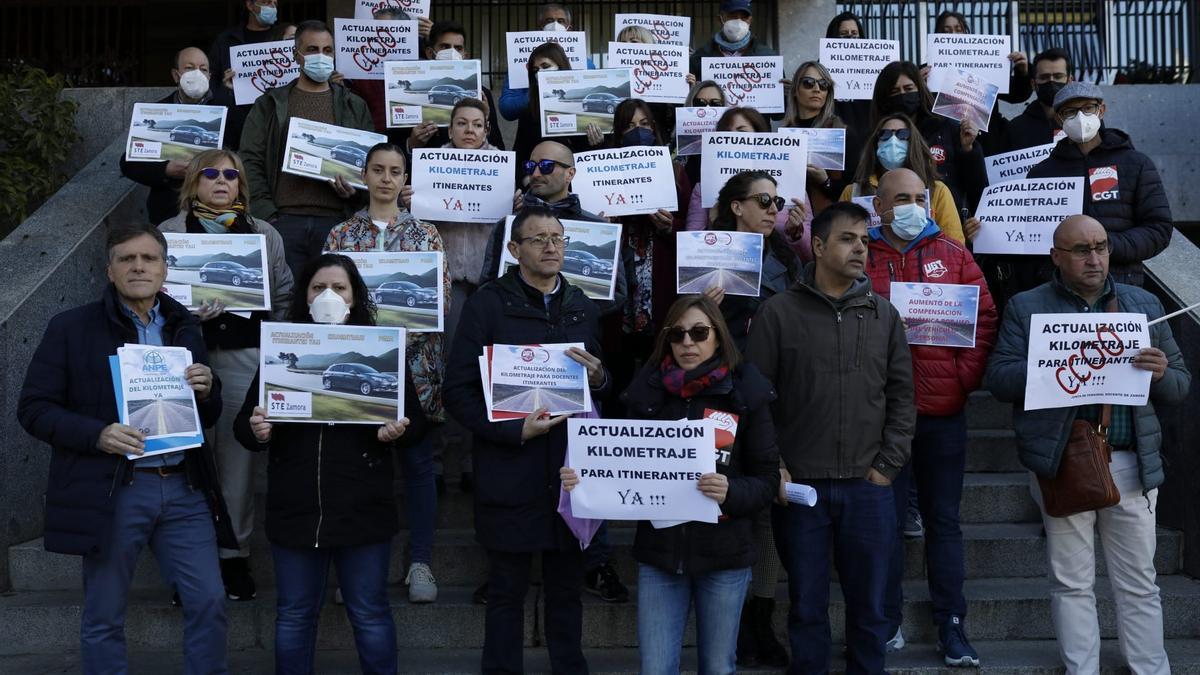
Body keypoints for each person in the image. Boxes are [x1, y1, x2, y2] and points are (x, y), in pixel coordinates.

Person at [18, 223, 233, 674]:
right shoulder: (70, 327)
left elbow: (205, 417)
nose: (139, 266)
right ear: (110, 270)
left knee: (210, 601)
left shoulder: (185, 326)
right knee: (104, 614)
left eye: (149, 258)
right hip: (115, 488)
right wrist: (97, 434)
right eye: (127, 259)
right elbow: (34, 409)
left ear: (164, 269)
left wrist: (208, 391)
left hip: (183, 486)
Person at [984, 214, 1189, 674]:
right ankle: (1082, 669)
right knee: (1071, 581)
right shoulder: (1026, 306)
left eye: (1100, 247)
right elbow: (998, 379)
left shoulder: (1143, 304)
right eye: (1081, 250)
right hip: (1063, 463)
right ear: (1056, 256)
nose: (1094, 258)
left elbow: (1180, 385)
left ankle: (1150, 668)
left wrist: (1160, 372)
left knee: (1139, 581)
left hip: (1132, 465)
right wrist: (1052, 363)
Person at [562, 294, 780, 674]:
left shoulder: (746, 393)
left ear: (718, 336)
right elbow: (618, 464)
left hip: (725, 556)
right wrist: (585, 480)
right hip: (661, 556)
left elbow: (766, 480)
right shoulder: (646, 391)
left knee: (718, 667)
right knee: (656, 669)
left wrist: (731, 492)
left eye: (698, 332)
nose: (688, 343)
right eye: (677, 335)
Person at [233, 254, 427, 675]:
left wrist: (398, 431)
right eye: (319, 287)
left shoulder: (381, 351)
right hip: (296, 507)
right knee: (295, 615)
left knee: (370, 613)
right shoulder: (281, 351)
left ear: (355, 297)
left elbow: (417, 426)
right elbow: (245, 427)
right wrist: (258, 430)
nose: (328, 296)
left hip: (363, 507)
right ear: (304, 295)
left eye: (339, 288)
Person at [747, 201, 915, 674]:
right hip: (802, 488)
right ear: (818, 246)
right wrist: (774, 465)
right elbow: (757, 399)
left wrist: (887, 466)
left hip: (869, 487)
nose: (860, 248)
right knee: (806, 609)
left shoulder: (884, 316)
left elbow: (903, 397)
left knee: (870, 611)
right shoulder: (777, 313)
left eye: (864, 240)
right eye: (847, 239)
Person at [443, 206, 611, 674]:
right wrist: (514, 431)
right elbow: (457, 392)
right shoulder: (488, 305)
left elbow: (599, 387)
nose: (551, 246)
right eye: (538, 239)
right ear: (514, 250)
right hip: (508, 474)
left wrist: (599, 377)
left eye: (558, 238)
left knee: (566, 596)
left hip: (568, 478)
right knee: (505, 596)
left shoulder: (581, 303)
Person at [863, 168, 997, 666]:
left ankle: (952, 625)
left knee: (943, 523)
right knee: (885, 523)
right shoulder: (862, 255)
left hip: (943, 414)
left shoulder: (954, 254)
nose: (913, 205)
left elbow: (984, 319)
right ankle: (887, 618)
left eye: (921, 197)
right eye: (902, 198)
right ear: (878, 205)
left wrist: (962, 381)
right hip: (881, 417)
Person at [158, 149, 293, 601]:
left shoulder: (263, 233)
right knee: (188, 461)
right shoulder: (169, 233)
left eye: (231, 175)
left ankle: (233, 558)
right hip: (180, 361)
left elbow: (287, 293)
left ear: (241, 185)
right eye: (211, 174)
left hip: (244, 356)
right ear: (193, 182)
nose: (222, 182)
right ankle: (191, 564)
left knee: (236, 464)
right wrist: (181, 311)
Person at [323, 143, 450, 603]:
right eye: (377, 169)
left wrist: (399, 341)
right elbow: (325, 300)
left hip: (415, 370)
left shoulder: (426, 234)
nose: (386, 179)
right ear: (364, 174)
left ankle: (420, 563)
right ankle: (361, 565)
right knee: (359, 468)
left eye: (395, 171)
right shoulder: (340, 235)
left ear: (404, 178)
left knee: (417, 468)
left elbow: (440, 300)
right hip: (359, 365)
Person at [705, 171, 800, 668]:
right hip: (717, 400)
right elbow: (679, 332)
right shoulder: (703, 252)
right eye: (763, 200)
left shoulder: (785, 258)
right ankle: (729, 621)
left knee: (765, 514)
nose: (772, 208)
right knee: (725, 504)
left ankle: (758, 623)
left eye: (777, 201)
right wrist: (704, 309)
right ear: (736, 207)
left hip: (771, 400)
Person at [239, 20, 374, 281]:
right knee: (287, 303)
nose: (321, 57)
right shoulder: (269, 103)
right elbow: (250, 159)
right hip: (284, 221)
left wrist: (354, 193)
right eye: (312, 49)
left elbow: (369, 164)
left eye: (328, 50)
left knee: (333, 303)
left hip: (336, 223)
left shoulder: (354, 105)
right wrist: (268, 214)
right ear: (296, 55)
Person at [1027, 81, 1172, 288]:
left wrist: (1106, 246)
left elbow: (1159, 229)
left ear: (1101, 110)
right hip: (1059, 289)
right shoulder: (1041, 173)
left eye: (1088, 108)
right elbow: (1027, 234)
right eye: (1070, 111)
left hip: (1121, 284)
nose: (1080, 117)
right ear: (1059, 118)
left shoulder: (1135, 164)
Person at [479, 140, 627, 320]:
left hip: (575, 334)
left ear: (570, 174)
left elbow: (617, 294)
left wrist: (571, 315)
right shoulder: (507, 225)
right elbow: (487, 285)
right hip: (517, 331)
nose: (535, 173)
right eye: (530, 166)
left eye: (546, 166)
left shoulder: (598, 225)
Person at [120, 47, 231, 225]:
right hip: (168, 212)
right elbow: (129, 163)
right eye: (189, 68)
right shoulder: (156, 113)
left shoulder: (226, 110)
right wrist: (166, 170)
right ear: (176, 75)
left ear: (209, 77)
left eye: (203, 69)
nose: (197, 74)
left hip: (218, 213)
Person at [870, 61, 987, 212]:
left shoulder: (946, 127)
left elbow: (975, 186)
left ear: (920, 89)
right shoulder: (877, 135)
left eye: (908, 88)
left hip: (944, 219)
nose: (903, 95)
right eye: (894, 92)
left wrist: (968, 149)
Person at [842, 113, 969, 244]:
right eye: (884, 135)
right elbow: (840, 242)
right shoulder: (852, 192)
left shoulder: (937, 190)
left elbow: (955, 247)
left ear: (913, 142)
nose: (893, 141)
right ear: (875, 144)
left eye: (902, 134)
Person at [927, 9, 1032, 154]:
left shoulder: (984, 64)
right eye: (947, 30)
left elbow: (1017, 95)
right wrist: (919, 83)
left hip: (985, 144)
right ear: (937, 36)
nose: (954, 35)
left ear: (966, 33)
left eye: (959, 30)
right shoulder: (930, 71)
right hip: (945, 145)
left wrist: (1022, 71)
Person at [782, 60, 860, 243]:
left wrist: (825, 181)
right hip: (789, 226)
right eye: (809, 83)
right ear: (795, 90)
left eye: (823, 85)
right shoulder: (782, 135)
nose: (817, 89)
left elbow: (855, 190)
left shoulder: (844, 133)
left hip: (831, 228)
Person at [396, 21, 506, 151]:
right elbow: (392, 146)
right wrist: (411, 144)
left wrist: (485, 120)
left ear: (465, 55)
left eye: (458, 48)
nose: (452, 52)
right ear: (430, 53)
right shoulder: (407, 99)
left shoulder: (481, 94)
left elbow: (499, 151)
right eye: (445, 47)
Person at [509, 41, 605, 171]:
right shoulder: (529, 111)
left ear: (561, 67)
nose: (540, 73)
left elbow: (599, 159)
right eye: (535, 70)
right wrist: (527, 180)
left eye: (545, 66)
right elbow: (520, 157)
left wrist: (598, 143)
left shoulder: (583, 107)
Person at [208, 0, 285, 151]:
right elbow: (211, 79)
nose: (272, 7)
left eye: (275, 3)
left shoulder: (283, 38)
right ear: (250, 5)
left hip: (274, 120)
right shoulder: (226, 40)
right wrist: (227, 91)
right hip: (237, 123)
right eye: (266, 2)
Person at [498, 3, 595, 122]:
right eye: (549, 20)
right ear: (540, 28)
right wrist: (537, 90)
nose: (555, 25)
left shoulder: (586, 64)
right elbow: (507, 110)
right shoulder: (520, 63)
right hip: (531, 133)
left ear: (569, 29)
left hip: (571, 130)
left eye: (561, 21)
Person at [1001, 48, 1073, 152]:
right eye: (1044, 77)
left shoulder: (1085, 123)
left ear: (1070, 81)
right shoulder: (1015, 129)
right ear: (1033, 84)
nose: (1051, 82)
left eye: (1058, 77)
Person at [689, 0, 778, 77]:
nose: (739, 22)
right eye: (732, 16)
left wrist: (787, 90)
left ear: (750, 20)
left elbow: (778, 93)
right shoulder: (700, 57)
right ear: (720, 19)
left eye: (744, 17)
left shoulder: (767, 56)